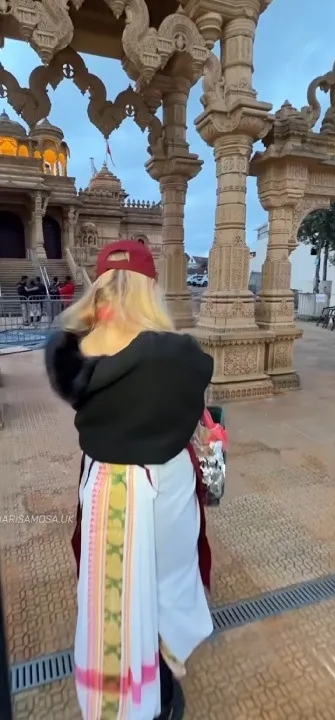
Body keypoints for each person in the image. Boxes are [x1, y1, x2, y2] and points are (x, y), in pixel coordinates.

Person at [44, 241, 214, 719]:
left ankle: (122, 694)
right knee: (167, 579)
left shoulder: (74, 358)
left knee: (112, 589)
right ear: (150, 289)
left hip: (104, 486)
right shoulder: (184, 355)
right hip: (168, 484)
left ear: (98, 289)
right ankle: (161, 682)